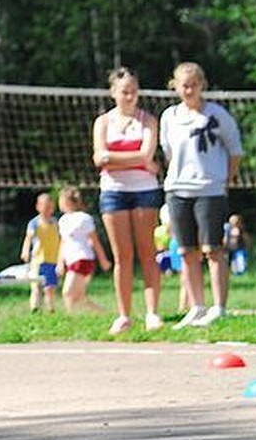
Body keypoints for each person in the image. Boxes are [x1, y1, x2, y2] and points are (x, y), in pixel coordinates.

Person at [161, 62, 243, 329]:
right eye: (184, 85)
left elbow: (235, 150)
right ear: (176, 86)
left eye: (193, 85)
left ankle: (219, 307)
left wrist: (225, 180)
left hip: (210, 189)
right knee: (186, 252)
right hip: (178, 189)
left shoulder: (216, 115)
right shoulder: (169, 116)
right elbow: (168, 152)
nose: (189, 90)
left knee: (213, 250)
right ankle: (196, 307)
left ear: (202, 85)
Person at [91, 67, 164, 335]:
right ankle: (124, 315)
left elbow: (147, 154)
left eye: (134, 91)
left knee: (148, 252)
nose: (130, 96)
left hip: (144, 191)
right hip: (113, 192)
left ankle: (152, 313)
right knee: (123, 256)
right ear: (114, 93)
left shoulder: (148, 121)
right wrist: (133, 159)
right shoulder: (103, 122)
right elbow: (99, 158)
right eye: (125, 91)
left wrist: (114, 157)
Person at [56, 187, 111, 313]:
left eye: (60, 199)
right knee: (79, 297)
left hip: (82, 258)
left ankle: (71, 319)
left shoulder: (83, 218)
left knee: (67, 292)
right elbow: (63, 243)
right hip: (71, 260)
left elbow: (94, 241)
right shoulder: (63, 220)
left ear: (67, 201)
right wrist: (60, 263)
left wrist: (103, 260)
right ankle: (102, 313)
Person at [19, 192, 60, 313]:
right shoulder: (34, 223)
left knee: (50, 288)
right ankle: (34, 309)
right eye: (45, 207)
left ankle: (51, 309)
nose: (48, 210)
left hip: (53, 260)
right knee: (36, 286)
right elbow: (28, 238)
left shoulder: (56, 223)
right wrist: (25, 251)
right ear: (38, 207)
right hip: (38, 260)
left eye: (50, 207)